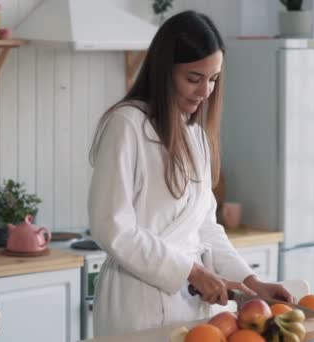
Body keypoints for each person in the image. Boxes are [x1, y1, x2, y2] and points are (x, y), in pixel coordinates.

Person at [88, 10, 293, 336]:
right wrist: (192, 271)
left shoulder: (194, 133)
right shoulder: (127, 125)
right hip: (136, 306)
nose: (205, 92)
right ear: (162, 71)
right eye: (194, 78)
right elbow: (112, 227)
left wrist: (252, 285)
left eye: (213, 79)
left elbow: (206, 228)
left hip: (192, 309)